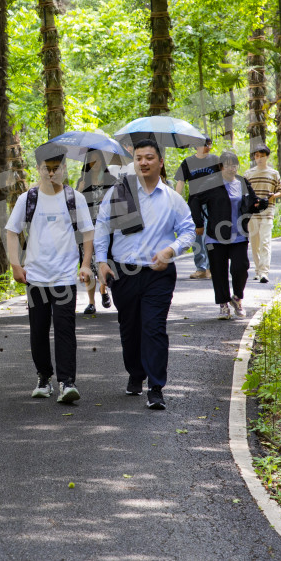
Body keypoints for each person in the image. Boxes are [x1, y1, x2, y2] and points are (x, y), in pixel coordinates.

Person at [94, 139, 195, 410]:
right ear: (134, 162)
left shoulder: (172, 198)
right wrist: (101, 262)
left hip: (158, 273)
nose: (143, 162)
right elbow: (103, 227)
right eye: (139, 158)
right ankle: (135, 373)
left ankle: (156, 387)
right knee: (130, 329)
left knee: (154, 328)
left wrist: (170, 251)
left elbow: (188, 230)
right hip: (123, 272)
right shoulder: (119, 193)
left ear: (160, 162)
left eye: (149, 157)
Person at [5, 145, 95, 403]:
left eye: (57, 169)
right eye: (48, 169)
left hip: (65, 275)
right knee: (38, 330)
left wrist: (85, 264)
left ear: (64, 169)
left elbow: (88, 232)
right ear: (39, 169)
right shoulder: (28, 198)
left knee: (65, 329)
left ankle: (67, 382)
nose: (52, 173)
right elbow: (12, 231)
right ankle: (44, 378)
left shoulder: (74, 197)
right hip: (35, 276)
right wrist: (15, 264)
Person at [198, 151, 264, 320]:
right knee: (219, 272)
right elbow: (194, 201)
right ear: (220, 167)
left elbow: (252, 203)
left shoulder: (243, 182)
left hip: (239, 235)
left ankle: (237, 298)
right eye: (227, 165)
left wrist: (260, 204)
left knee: (240, 267)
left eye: (234, 165)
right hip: (215, 236)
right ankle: (223, 305)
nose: (231, 168)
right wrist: (198, 223)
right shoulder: (210, 184)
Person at [173, 136, 220, 280]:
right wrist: (174, 201)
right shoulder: (188, 162)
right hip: (195, 203)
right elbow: (180, 182)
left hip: (214, 202)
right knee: (197, 236)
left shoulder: (216, 160)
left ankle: (213, 267)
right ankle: (201, 268)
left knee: (211, 235)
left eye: (209, 144)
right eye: (204, 144)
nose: (207, 146)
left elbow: (225, 178)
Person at [76, 149, 116, 313]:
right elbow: (74, 205)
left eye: (97, 160)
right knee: (88, 263)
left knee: (101, 259)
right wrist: (79, 189)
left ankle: (103, 289)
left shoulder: (111, 180)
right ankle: (91, 302)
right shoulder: (82, 181)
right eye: (90, 161)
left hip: (104, 227)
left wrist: (105, 199)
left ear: (102, 161)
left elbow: (118, 201)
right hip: (86, 228)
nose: (94, 164)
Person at [244, 144, 281, 284]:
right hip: (253, 212)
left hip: (267, 211)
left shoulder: (274, 173)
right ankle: (257, 270)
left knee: (265, 241)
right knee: (254, 242)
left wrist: (273, 196)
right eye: (257, 156)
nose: (259, 158)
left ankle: (264, 272)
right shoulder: (248, 174)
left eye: (262, 156)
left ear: (267, 157)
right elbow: (244, 192)